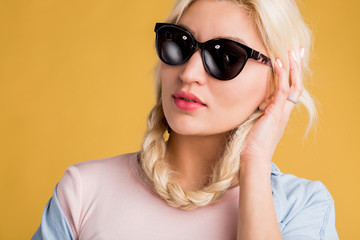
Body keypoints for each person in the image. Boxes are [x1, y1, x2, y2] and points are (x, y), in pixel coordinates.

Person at [31, 0, 339, 239]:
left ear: (277, 82)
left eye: (226, 57)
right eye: (180, 42)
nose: (189, 73)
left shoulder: (302, 206)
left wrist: (255, 163)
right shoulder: (83, 190)